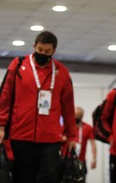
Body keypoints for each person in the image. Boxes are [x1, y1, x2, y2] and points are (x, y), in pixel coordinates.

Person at [0, 30, 76, 183]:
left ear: (53, 50)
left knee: (49, 177)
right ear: (34, 46)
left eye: (47, 51)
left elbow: (68, 107)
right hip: (21, 135)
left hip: (51, 139)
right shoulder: (18, 65)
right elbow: (5, 97)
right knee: (22, 177)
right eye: (40, 50)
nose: (42, 54)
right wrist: (1, 125)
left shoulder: (62, 72)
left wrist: (72, 135)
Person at [74, 106, 97, 175]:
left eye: (78, 117)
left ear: (82, 116)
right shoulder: (67, 127)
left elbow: (93, 144)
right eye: (75, 116)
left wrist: (94, 159)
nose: (76, 119)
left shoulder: (87, 127)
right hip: (67, 161)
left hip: (81, 161)